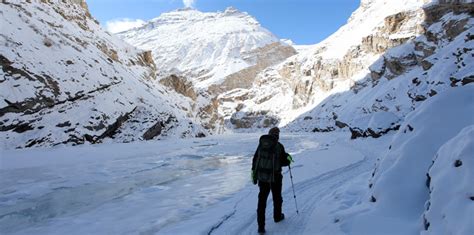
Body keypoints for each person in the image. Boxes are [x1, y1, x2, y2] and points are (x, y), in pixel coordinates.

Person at [251, 127, 293, 234]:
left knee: (262, 201)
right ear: (277, 136)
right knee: (277, 197)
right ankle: (277, 216)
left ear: (269, 134)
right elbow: (284, 162)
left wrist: (254, 174)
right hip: (276, 177)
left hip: (262, 177)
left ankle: (261, 227)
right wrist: (288, 159)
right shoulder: (279, 146)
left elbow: (255, 159)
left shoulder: (261, 145)